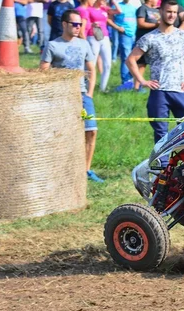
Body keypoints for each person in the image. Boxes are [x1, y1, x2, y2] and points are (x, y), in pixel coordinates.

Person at [125, 0, 184, 144]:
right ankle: (162, 165)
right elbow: (131, 60)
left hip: (181, 91)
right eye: (169, 12)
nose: (172, 15)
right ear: (160, 12)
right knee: (161, 134)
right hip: (159, 92)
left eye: (174, 12)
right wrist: (142, 81)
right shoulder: (149, 38)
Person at [40, 9, 104, 182]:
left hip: (82, 94)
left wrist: (89, 93)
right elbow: (43, 72)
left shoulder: (84, 44)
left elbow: (91, 69)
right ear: (64, 24)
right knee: (62, 133)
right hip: (61, 97)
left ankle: (86, 170)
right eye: (74, 24)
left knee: (91, 131)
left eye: (80, 25)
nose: (78, 27)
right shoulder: (53, 45)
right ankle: (60, 168)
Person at [112, 0, 138, 91]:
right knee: (126, 58)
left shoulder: (133, 7)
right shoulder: (117, 6)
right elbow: (109, 18)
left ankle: (132, 80)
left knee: (133, 58)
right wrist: (117, 27)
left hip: (133, 34)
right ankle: (125, 82)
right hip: (124, 34)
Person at [134, 0, 159, 91]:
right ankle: (137, 87)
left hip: (155, 40)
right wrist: (156, 25)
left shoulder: (157, 10)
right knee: (141, 64)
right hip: (143, 40)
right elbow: (140, 24)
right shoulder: (142, 9)